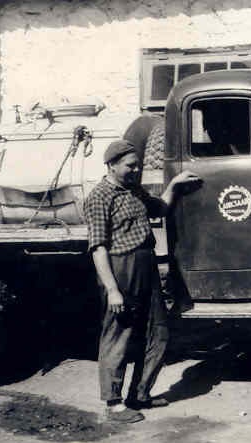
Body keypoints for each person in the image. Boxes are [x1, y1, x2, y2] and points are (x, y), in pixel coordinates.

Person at [83, 139, 200, 423]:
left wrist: (173, 186)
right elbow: (98, 248)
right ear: (111, 165)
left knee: (158, 332)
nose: (136, 170)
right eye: (130, 166)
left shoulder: (133, 190)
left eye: (138, 166)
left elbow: (159, 209)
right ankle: (113, 403)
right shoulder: (99, 197)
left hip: (145, 264)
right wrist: (112, 290)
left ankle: (141, 394)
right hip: (120, 268)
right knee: (118, 336)